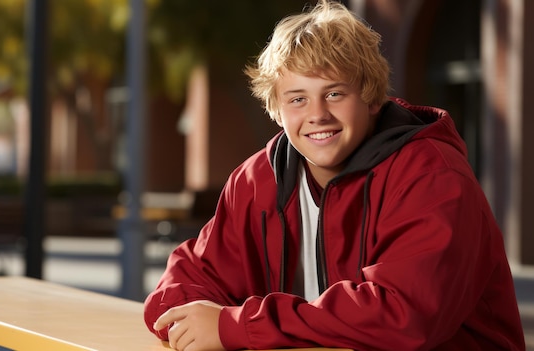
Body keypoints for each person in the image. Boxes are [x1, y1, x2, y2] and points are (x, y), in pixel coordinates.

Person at [143, 1, 526, 350]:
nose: (317, 115)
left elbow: (402, 317)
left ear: (373, 98)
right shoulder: (258, 179)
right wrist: (188, 319)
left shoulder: (431, 175)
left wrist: (236, 326)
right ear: (276, 109)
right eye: (297, 98)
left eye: (334, 94)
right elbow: (185, 280)